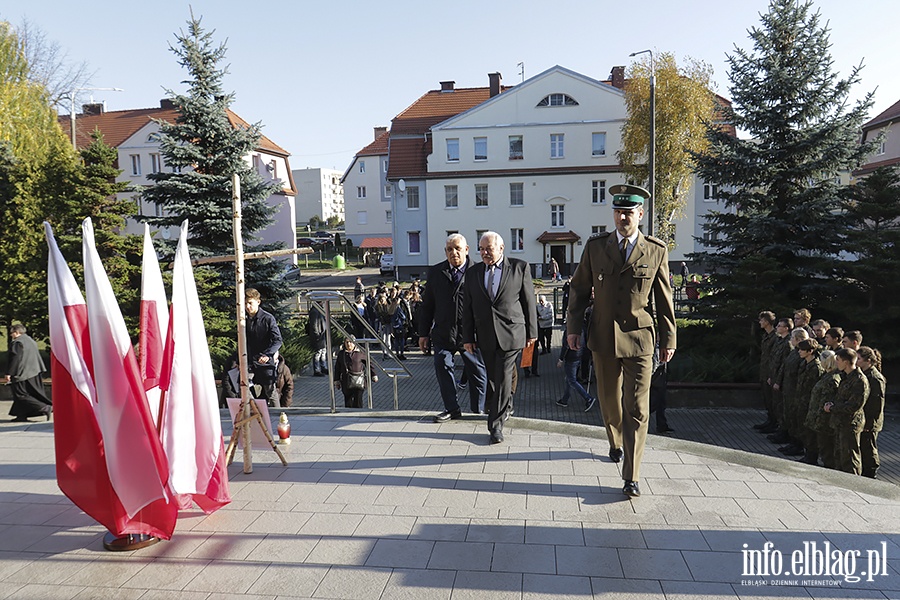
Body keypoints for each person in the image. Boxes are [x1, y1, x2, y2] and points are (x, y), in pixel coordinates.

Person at [566, 184, 676, 498]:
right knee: (610, 402)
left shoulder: (655, 250)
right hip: (602, 336)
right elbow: (579, 290)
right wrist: (573, 328)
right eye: (618, 211)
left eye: (629, 212)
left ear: (640, 214)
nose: (623, 217)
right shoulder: (596, 246)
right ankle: (615, 441)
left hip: (640, 338)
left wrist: (669, 339)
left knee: (637, 408)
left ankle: (632, 474)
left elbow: (664, 300)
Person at [462, 231, 537, 445]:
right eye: (482, 249)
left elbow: (528, 302)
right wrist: (468, 337)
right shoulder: (473, 272)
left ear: (501, 248)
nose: (485, 253)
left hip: (512, 332)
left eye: (489, 248)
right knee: (494, 378)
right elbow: (467, 308)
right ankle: (505, 405)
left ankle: (495, 425)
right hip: (485, 333)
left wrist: (532, 333)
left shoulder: (519, 267)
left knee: (503, 375)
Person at [418, 234, 488, 421]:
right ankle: (452, 408)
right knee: (442, 365)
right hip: (444, 333)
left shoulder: (479, 271)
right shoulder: (436, 272)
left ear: (466, 249)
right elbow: (427, 306)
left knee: (478, 374)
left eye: (457, 248)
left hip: (471, 335)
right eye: (450, 249)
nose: (454, 252)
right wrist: (423, 333)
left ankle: (478, 410)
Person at [825, 348, 869, 475]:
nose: (836, 363)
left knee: (850, 459)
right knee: (839, 457)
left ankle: (854, 486)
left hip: (850, 424)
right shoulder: (845, 376)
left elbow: (854, 405)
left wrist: (833, 408)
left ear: (846, 362)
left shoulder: (859, 380)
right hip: (840, 423)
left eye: (838, 360)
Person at [4, 324, 52, 422]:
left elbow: (15, 359)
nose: (11, 335)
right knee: (28, 393)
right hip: (34, 371)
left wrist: (9, 373)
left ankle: (44, 407)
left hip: (22, 373)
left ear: (17, 332)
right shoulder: (30, 341)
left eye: (12, 333)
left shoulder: (18, 343)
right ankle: (21, 415)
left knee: (21, 394)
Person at [245, 288, 283, 407]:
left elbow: (277, 340)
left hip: (265, 361)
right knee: (243, 385)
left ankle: (278, 415)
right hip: (250, 361)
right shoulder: (243, 319)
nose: (247, 306)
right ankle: (255, 410)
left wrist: (267, 354)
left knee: (270, 391)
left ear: (258, 302)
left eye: (250, 303)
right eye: (245, 303)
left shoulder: (267, 318)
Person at [805, 350, 839, 469]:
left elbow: (827, 402)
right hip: (818, 418)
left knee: (827, 450)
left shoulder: (832, 379)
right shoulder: (826, 375)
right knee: (823, 448)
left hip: (824, 421)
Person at [857, 346, 885, 479]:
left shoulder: (874, 378)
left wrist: (869, 423)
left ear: (868, 360)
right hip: (864, 418)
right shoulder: (864, 374)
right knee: (863, 445)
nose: (856, 361)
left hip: (870, 421)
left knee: (869, 447)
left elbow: (876, 404)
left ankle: (871, 471)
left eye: (859, 359)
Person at [333, 336, 378, 408]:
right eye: (346, 342)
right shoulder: (342, 354)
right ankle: (349, 416)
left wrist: (374, 375)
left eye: (350, 342)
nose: (348, 344)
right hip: (346, 381)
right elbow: (337, 368)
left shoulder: (360, 352)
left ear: (354, 343)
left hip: (359, 380)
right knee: (348, 401)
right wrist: (336, 380)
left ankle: (358, 415)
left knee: (358, 400)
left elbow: (369, 363)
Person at [556, 332, 596, 411]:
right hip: (578, 356)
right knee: (569, 379)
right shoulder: (581, 329)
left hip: (571, 358)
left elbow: (565, 346)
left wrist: (561, 359)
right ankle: (564, 400)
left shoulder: (569, 330)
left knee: (572, 381)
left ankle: (588, 398)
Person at [754, 311, 778, 432]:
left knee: (772, 400)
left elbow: (774, 358)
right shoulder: (766, 336)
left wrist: (771, 374)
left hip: (770, 372)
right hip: (764, 371)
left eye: (762, 320)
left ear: (767, 322)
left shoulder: (775, 337)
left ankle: (774, 423)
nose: (760, 322)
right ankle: (769, 420)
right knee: (766, 399)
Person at [306, 303, 328, 376]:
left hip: (322, 333)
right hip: (318, 335)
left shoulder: (320, 310)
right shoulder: (314, 311)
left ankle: (323, 367)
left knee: (323, 351)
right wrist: (317, 334)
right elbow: (314, 324)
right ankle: (317, 370)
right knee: (318, 352)